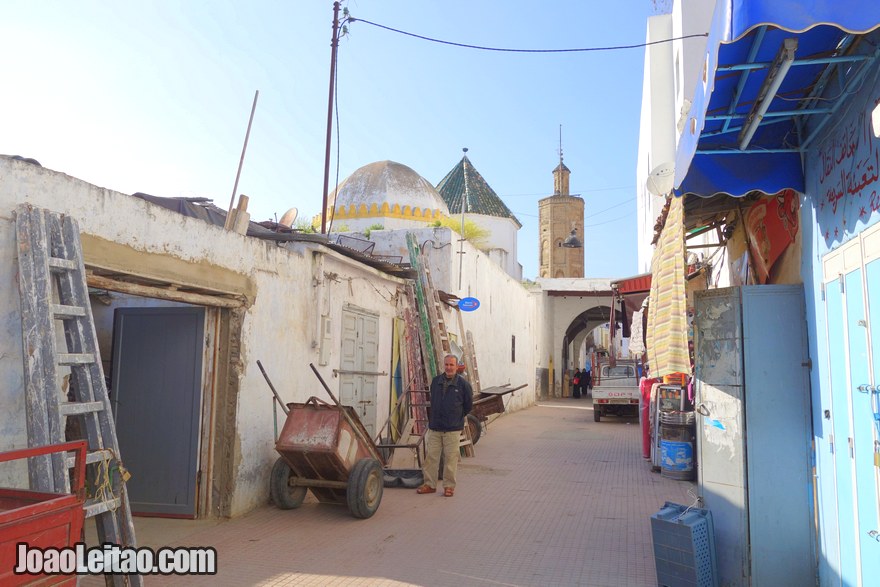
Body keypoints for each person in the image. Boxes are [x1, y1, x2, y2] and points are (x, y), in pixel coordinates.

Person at [417, 354, 473, 497]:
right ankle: (430, 485)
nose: (448, 367)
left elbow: (468, 406)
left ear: (456, 366)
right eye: (446, 364)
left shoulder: (463, 385)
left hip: (452, 429)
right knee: (431, 458)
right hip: (435, 427)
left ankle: (449, 487)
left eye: (451, 365)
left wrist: (455, 418)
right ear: (444, 365)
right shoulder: (436, 382)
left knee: (450, 459)